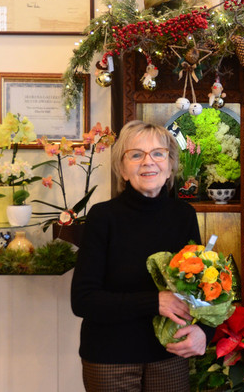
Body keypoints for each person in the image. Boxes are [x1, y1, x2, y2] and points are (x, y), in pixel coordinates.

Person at [71, 120, 211, 392]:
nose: (149, 162)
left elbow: (203, 288)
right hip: (110, 359)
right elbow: (83, 300)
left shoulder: (183, 216)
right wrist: (154, 301)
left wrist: (204, 332)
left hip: (170, 354)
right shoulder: (102, 218)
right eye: (136, 155)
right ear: (122, 169)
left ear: (170, 165)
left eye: (158, 153)